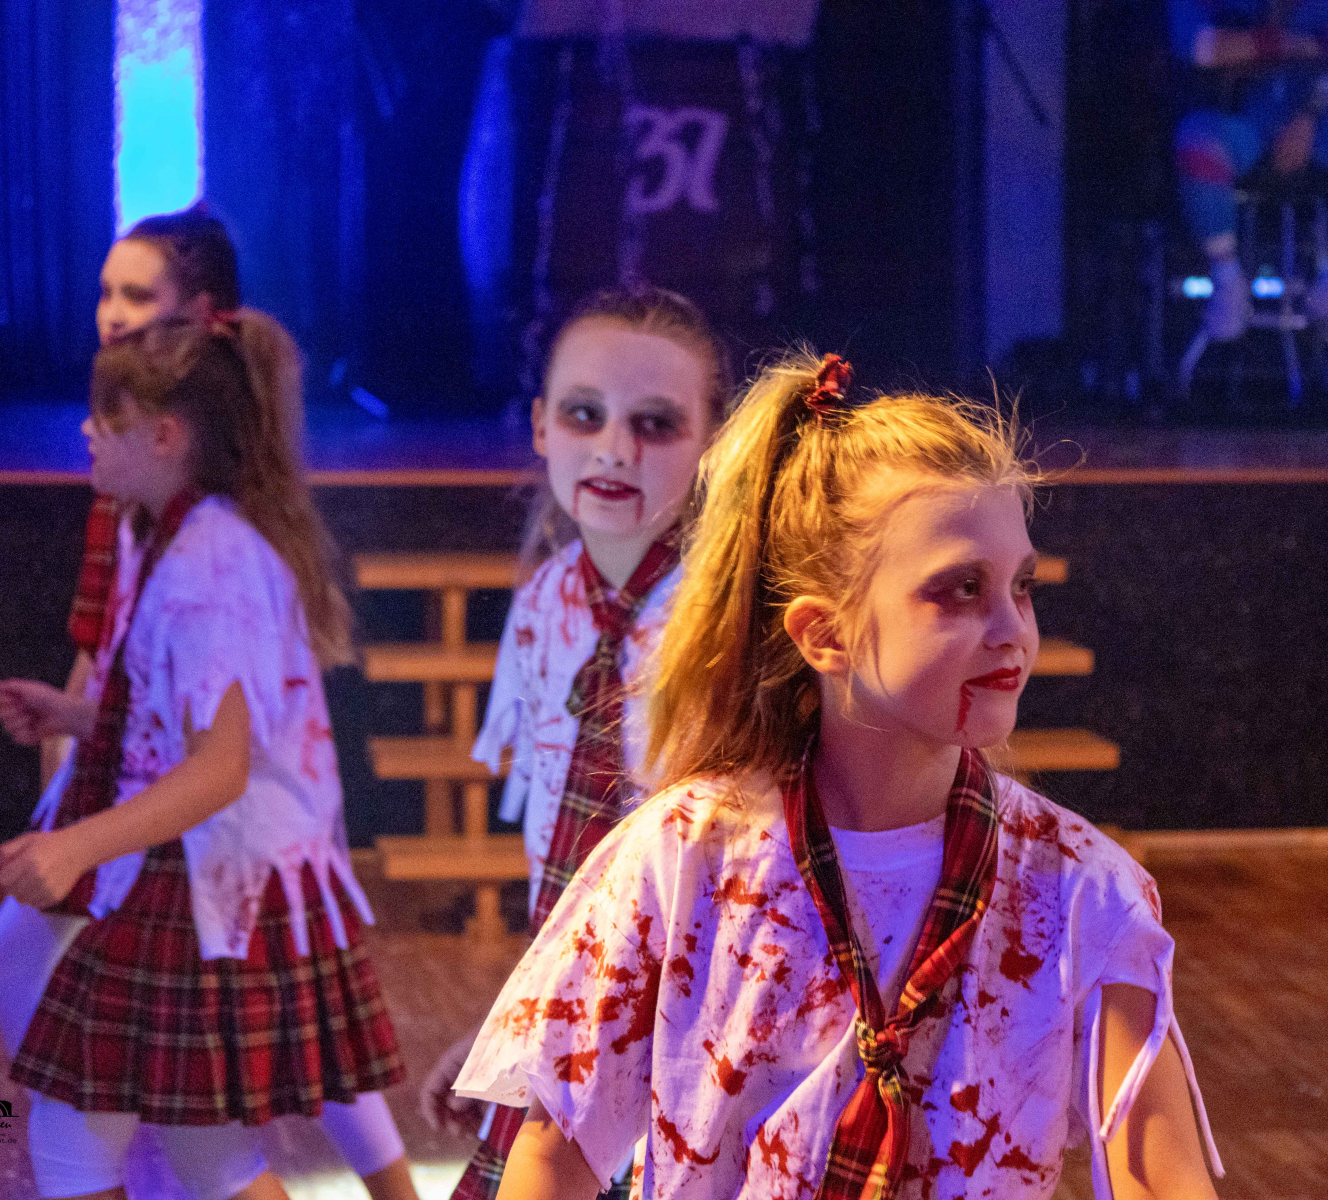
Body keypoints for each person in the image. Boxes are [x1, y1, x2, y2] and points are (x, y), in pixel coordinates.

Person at [451, 352, 1224, 1198]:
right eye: (960, 590)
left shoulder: (1080, 892)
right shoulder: (681, 858)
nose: (1013, 629)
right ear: (824, 635)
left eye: (1023, 587)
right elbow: (553, 1157)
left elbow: (1164, 1182)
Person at [0, 206, 419, 1200]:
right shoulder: (176, 536)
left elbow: (219, 769)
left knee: (88, 1138)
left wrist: (75, 845)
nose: (86, 432)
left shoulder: (210, 565)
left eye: (106, 419)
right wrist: (76, 718)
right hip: (188, 872)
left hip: (201, 880)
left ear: (165, 435)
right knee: (204, 1152)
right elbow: (179, 726)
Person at [411, 285, 732, 1199]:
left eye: (655, 424)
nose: (614, 449)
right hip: (575, 1026)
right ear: (542, 427)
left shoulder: (734, 622)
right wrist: (510, 1021)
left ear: (711, 444)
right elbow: (560, 872)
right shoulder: (545, 602)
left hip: (700, 1036)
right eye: (585, 415)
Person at [1171, 0, 1328, 349]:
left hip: (1313, 123)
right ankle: (1226, 279)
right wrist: (1292, 43)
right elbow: (1202, 48)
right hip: (1237, 122)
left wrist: (1308, 116)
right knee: (1196, 139)